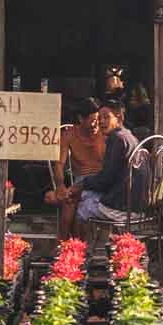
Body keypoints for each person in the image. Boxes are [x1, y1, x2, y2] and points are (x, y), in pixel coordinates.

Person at [67, 99, 143, 225]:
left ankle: (81, 244)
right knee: (86, 194)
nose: (101, 121)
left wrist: (80, 185)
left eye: (106, 117)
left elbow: (105, 180)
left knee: (82, 207)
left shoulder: (117, 138)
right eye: (100, 118)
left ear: (118, 117)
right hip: (137, 205)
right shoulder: (128, 136)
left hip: (123, 208)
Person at [48, 98, 109, 237]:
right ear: (81, 119)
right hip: (80, 183)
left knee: (75, 205)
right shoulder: (69, 134)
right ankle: (64, 249)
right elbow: (59, 164)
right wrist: (60, 186)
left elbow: (110, 170)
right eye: (93, 120)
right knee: (68, 206)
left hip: (101, 182)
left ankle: (77, 248)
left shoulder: (105, 133)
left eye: (99, 119)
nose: (96, 124)